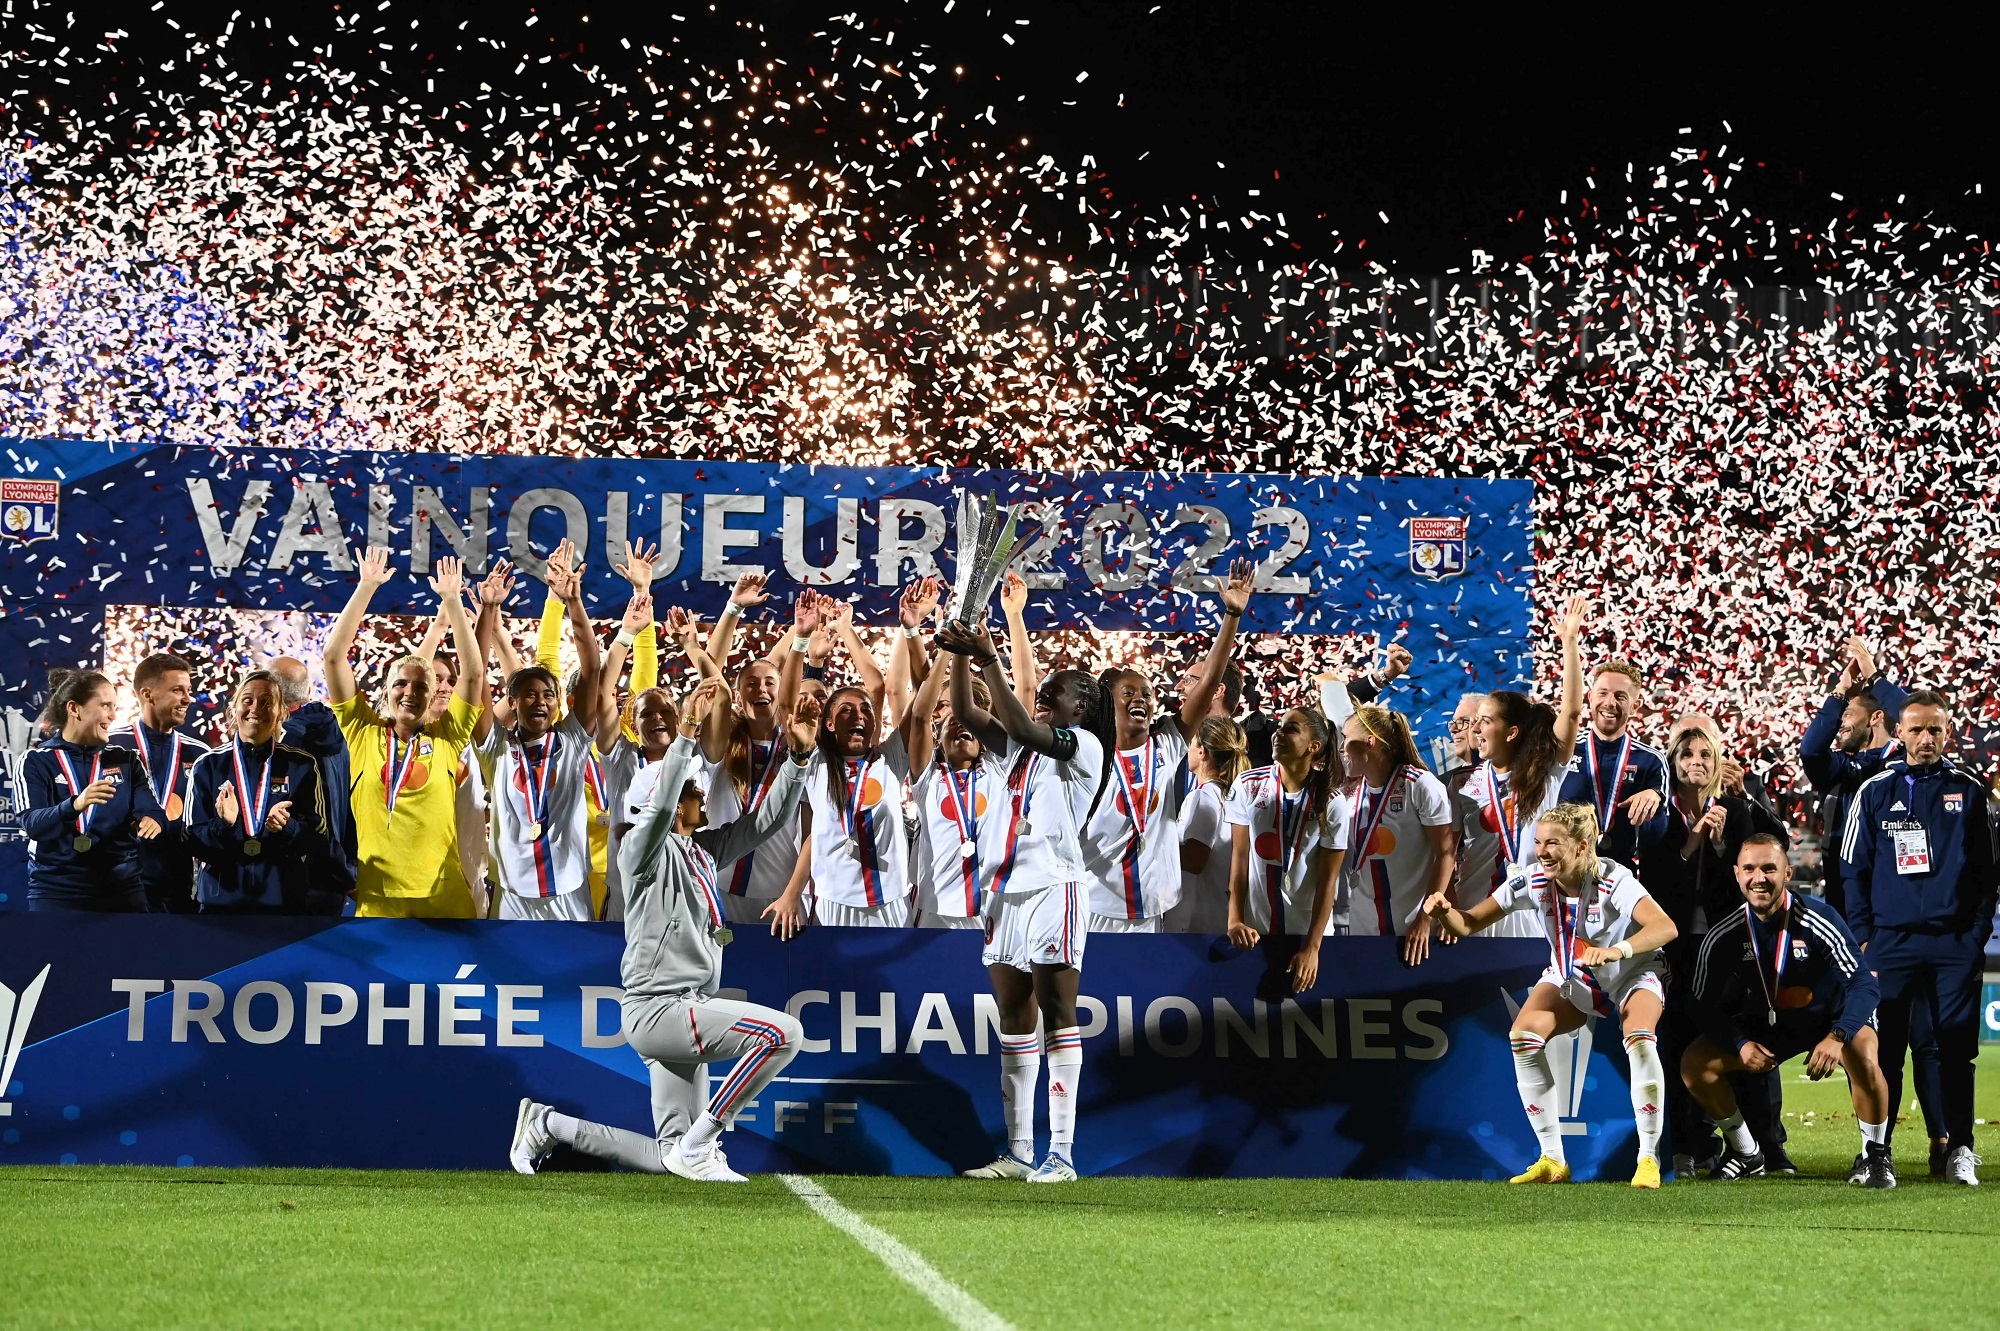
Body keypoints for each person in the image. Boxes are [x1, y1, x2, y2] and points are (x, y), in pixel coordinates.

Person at [508, 681, 821, 1181]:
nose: (702, 798)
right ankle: (704, 1143)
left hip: (680, 1005)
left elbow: (766, 822)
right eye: (694, 792)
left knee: (668, 1154)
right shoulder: (640, 851)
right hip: (662, 1007)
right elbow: (657, 812)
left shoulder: (701, 849)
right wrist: (688, 734)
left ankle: (549, 1126)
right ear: (674, 803)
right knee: (783, 1034)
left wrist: (799, 759)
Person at [1424, 803, 1678, 1188]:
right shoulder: (1532, 880)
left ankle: (1647, 1159)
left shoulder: (1614, 879)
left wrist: (1617, 951)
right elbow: (1468, 923)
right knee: (1522, 1037)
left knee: (1640, 1039)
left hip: (1632, 973)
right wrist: (1444, 912)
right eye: (1539, 842)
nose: (1542, 851)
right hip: (1571, 977)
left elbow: (1665, 926)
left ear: (1581, 847)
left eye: (1553, 843)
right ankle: (1552, 1160)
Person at [936, 614, 1105, 1183]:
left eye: (1053, 693)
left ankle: (1062, 1152)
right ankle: (1018, 1150)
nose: (1042, 698)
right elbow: (965, 712)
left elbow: (1025, 725)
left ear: (1078, 706)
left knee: (1057, 1013)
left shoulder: (1081, 746)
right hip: (1005, 892)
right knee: (1013, 1015)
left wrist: (988, 655)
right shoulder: (1016, 749)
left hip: (1055, 887)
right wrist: (960, 652)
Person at [1839, 689, 1995, 1186]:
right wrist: (1864, 937)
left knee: (1955, 1050)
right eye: (1917, 729)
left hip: (1953, 944)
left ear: (1947, 734)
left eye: (1935, 730)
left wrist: (1973, 938)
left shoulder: (1969, 790)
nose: (1926, 738)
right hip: (1889, 944)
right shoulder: (1874, 790)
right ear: (1899, 732)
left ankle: (1960, 1150)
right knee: (1884, 1050)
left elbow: (1987, 874)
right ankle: (1877, 1151)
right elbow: (1852, 870)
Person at [1685, 834, 1893, 1185]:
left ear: (1787, 873)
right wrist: (1740, 1044)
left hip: (1832, 1019)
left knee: (1864, 1054)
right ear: (1737, 874)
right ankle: (1746, 1153)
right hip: (1773, 1024)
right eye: (1749, 869)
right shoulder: (1724, 935)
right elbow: (1700, 1007)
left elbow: (1864, 984)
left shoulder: (1818, 918)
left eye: (1769, 868)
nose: (1759, 878)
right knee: (1695, 1064)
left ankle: (1875, 1157)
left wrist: (1838, 1036)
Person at [1639, 716, 1792, 1175]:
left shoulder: (1737, 801)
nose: (1696, 762)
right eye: (1687, 754)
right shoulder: (1660, 809)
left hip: (1732, 941)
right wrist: (1696, 838)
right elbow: (1659, 876)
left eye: (1705, 754)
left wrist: (1725, 840)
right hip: (1679, 943)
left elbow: (1764, 861)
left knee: (1747, 1034)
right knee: (1683, 1038)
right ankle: (1690, 1145)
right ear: (1673, 760)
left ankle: (1769, 1145)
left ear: (1718, 759)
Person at [1083, 561, 1254, 932]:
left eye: (1146, 692)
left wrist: (1231, 617)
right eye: (1127, 693)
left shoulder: (1167, 746)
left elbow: (1209, 682)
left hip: (1151, 909)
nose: (1139, 698)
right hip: (1093, 905)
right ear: (1107, 703)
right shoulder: (1087, 753)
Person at [323, 547, 490, 918]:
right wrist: (366, 586)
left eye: (421, 686)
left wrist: (452, 601)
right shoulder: (361, 730)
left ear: (434, 695)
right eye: (401, 684)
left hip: (443, 895)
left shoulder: (448, 736)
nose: (410, 693)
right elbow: (334, 657)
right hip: (378, 895)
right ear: (386, 691)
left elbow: (475, 674)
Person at [475, 538, 606, 919]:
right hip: (513, 894)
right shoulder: (494, 746)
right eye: (529, 695)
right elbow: (476, 675)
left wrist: (573, 603)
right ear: (512, 703)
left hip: (569, 891)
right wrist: (487, 610)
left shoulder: (572, 739)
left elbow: (592, 669)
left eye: (548, 695)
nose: (540, 702)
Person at [1465, 597, 1588, 939]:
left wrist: (1570, 642)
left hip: (1536, 913)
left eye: (1485, 721)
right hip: (1478, 912)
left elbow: (1572, 714)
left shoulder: (1545, 774)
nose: (1476, 729)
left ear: (1511, 731)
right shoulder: (1468, 785)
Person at [699, 579, 811, 925]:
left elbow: (812, 830)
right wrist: (733, 609)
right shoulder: (721, 741)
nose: (760, 688)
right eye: (750, 683)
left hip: (778, 894)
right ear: (737, 695)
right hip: (717, 884)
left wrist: (793, 893)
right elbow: (712, 679)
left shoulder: (800, 748)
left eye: (769, 683)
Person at [769, 677, 915, 930]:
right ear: (829, 723)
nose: (858, 715)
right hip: (832, 900)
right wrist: (792, 893)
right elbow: (815, 837)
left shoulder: (890, 759)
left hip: (891, 899)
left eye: (866, 709)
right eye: (846, 709)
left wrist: (916, 637)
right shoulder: (815, 763)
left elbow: (919, 708)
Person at [184, 671, 333, 914]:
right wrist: (224, 825)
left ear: (281, 713)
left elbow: (317, 838)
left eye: (267, 702)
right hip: (220, 904)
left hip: (283, 904)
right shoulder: (208, 765)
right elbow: (191, 841)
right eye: (247, 700)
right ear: (234, 709)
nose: (256, 708)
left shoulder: (301, 765)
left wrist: (288, 828)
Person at [1226, 705, 1350, 991]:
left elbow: (1327, 880)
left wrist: (1313, 947)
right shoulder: (1247, 785)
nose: (1278, 734)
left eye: (1291, 729)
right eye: (1279, 727)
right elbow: (1240, 860)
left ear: (1313, 746)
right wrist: (1235, 921)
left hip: (1308, 938)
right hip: (1256, 933)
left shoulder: (1331, 800)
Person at [21, 670, 165, 911]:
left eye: (114, 706)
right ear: (74, 709)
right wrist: (75, 805)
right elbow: (33, 824)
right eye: (105, 705)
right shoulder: (37, 760)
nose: (112, 715)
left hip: (121, 889)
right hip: (57, 890)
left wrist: (153, 819)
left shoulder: (126, 759)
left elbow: (150, 808)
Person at [1340, 705, 1456, 964]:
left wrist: (1427, 919)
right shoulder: (1349, 793)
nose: (1341, 747)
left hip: (1412, 932)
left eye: (1346, 738)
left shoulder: (1421, 785)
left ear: (1369, 741)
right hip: (1360, 928)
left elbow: (1446, 854)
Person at [108, 652, 209, 913]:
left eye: (189, 690)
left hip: (178, 889)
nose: (188, 699)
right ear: (147, 694)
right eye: (177, 690)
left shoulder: (200, 755)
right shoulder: (110, 746)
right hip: (118, 887)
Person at [1556, 660, 1668, 869]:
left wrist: (1656, 801)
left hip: (1620, 876)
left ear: (1635, 706)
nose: (1609, 702)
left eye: (1620, 696)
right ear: (1590, 698)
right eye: (1603, 693)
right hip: (1565, 870)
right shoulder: (1565, 750)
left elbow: (1656, 837)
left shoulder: (1651, 760)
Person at [1162, 715, 1250, 934]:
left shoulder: (1204, 796)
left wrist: (1158, 844)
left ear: (1202, 751)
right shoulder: (1234, 795)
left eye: (1191, 743)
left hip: (1195, 920)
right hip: (1220, 914)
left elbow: (1194, 859)